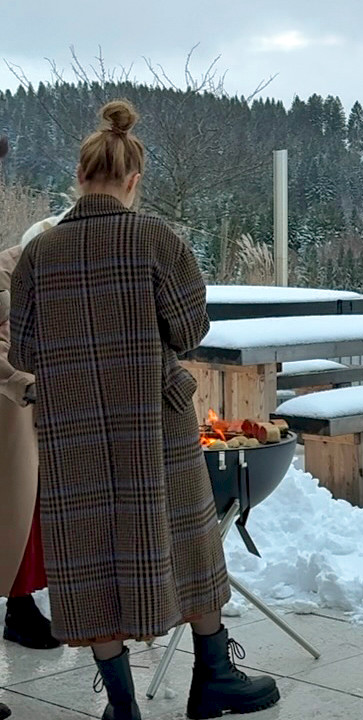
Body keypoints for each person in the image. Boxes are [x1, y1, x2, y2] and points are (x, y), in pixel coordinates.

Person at [8, 100, 280, 719]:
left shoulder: (40, 256)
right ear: (134, 180)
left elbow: (24, 348)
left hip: (71, 426)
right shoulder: (158, 238)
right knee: (187, 538)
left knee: (88, 551)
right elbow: (187, 331)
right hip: (154, 419)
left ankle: (123, 706)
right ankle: (213, 679)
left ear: (79, 177)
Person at [1, 221, 63, 653]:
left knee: (33, 511)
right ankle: (19, 608)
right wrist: (26, 381)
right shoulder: (6, 277)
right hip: (12, 408)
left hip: (40, 403)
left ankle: (21, 609)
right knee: (16, 509)